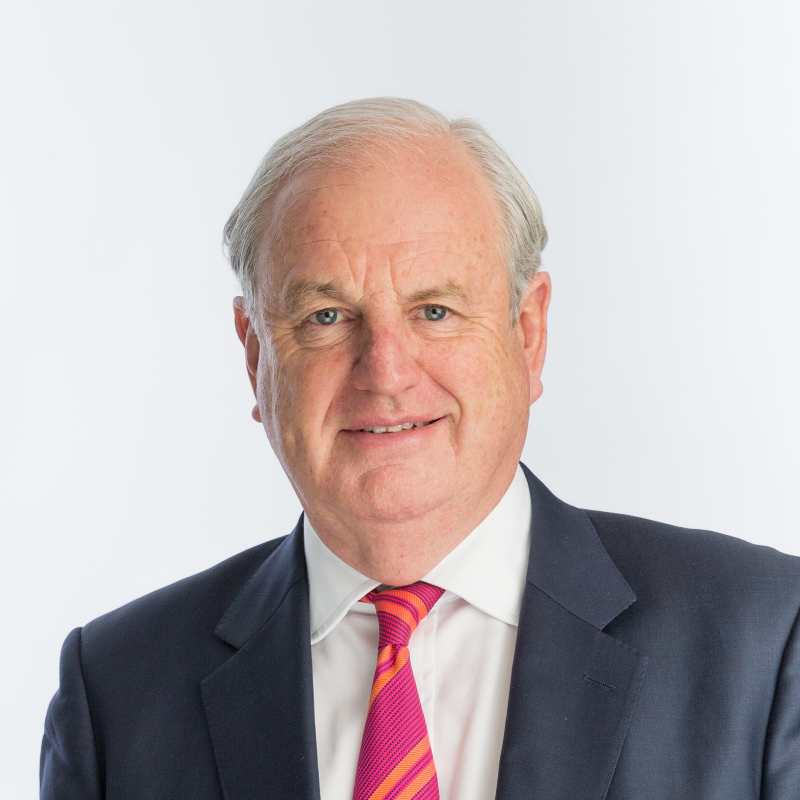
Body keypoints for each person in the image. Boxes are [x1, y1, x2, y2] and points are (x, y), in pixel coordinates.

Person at [40, 98, 800, 800]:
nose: (386, 372)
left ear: (528, 334)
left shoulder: (764, 644)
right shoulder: (116, 697)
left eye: (435, 310)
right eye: (326, 316)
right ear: (254, 354)